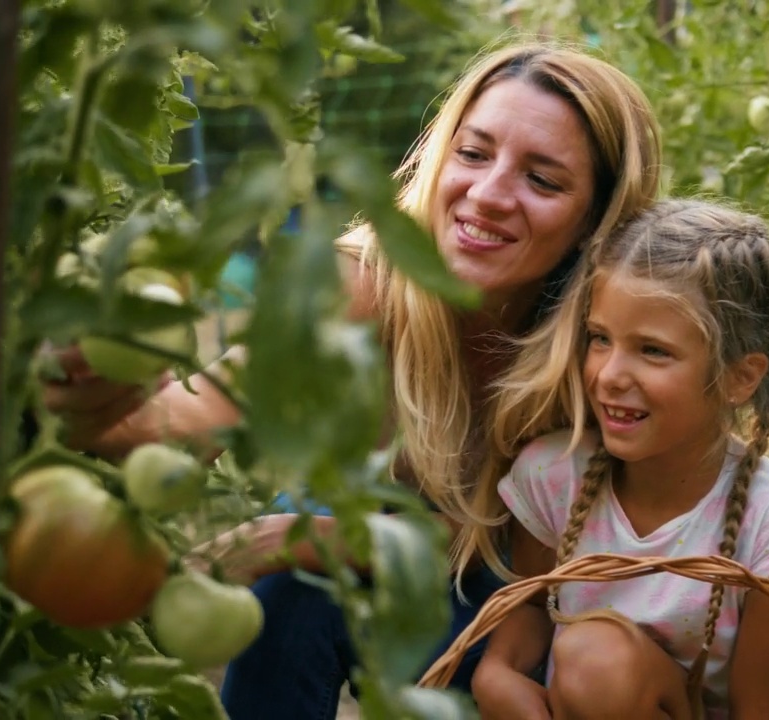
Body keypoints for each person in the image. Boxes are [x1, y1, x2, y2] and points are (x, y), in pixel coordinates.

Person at [40, 41, 663, 719]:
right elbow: (183, 429)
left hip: (540, 634)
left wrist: (303, 536)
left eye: (542, 180)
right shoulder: (365, 289)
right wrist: (86, 390)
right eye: (474, 153)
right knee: (297, 587)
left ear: (591, 223)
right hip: (410, 599)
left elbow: (586, 557)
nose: (486, 195)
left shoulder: (610, 342)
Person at [469, 199, 769, 720]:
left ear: (739, 377)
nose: (610, 374)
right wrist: (497, 672)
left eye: (653, 351)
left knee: (595, 662)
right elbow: (533, 605)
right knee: (586, 659)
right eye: (600, 339)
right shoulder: (554, 474)